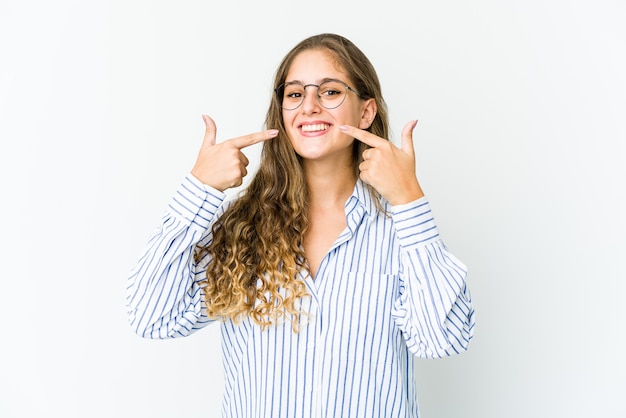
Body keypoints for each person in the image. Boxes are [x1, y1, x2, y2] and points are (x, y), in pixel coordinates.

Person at [126, 33, 475, 418]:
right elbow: (152, 316)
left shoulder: (400, 231)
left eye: (329, 92)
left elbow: (442, 340)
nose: (309, 106)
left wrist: (409, 198)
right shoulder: (240, 230)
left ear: (366, 112)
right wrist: (198, 188)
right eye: (294, 94)